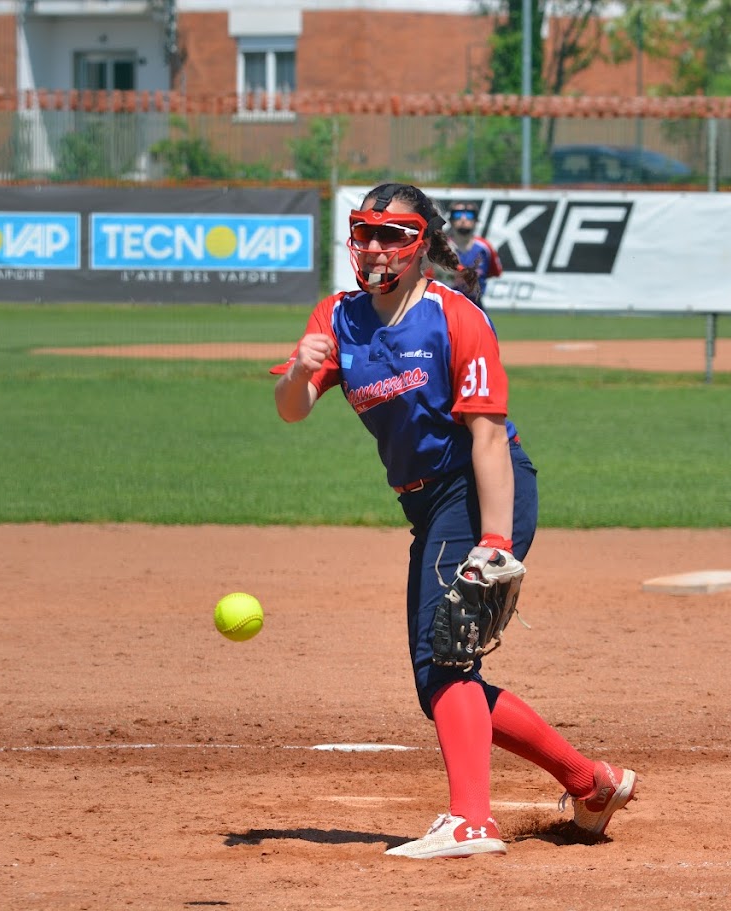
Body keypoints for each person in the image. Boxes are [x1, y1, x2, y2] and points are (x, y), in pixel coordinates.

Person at [271, 182, 637, 860]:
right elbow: (291, 408)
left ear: (421, 243)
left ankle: (471, 821)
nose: (375, 246)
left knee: (444, 658)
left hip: (474, 490)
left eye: (392, 233)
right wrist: (298, 371)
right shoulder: (338, 316)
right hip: (425, 503)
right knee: (438, 675)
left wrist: (495, 542)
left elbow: (489, 436)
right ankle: (591, 784)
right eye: (365, 231)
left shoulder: (453, 316)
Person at [445, 201, 502, 309]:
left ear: (476, 220)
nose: (463, 219)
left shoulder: (484, 247)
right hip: (446, 306)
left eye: (469, 215)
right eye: (457, 215)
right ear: (451, 220)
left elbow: (492, 272)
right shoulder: (442, 248)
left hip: (475, 305)